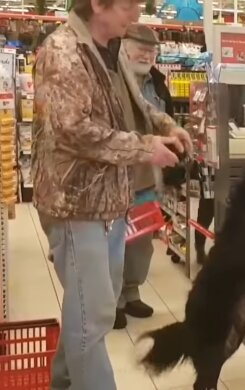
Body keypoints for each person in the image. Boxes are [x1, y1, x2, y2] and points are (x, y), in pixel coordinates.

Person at [33, 2, 191, 389]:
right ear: (98, 4)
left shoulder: (108, 47)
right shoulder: (63, 52)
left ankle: (64, 383)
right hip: (76, 204)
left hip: (109, 202)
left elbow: (129, 103)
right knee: (94, 315)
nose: (136, 15)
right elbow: (73, 130)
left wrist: (166, 124)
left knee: (89, 308)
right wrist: (144, 149)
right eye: (128, 6)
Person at [113, 24, 174, 329]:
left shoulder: (157, 82)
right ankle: (113, 301)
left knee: (140, 241)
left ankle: (131, 292)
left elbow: (160, 116)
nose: (148, 55)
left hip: (147, 177)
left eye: (152, 50)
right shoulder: (110, 77)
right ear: (123, 46)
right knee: (113, 242)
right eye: (141, 48)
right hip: (116, 177)